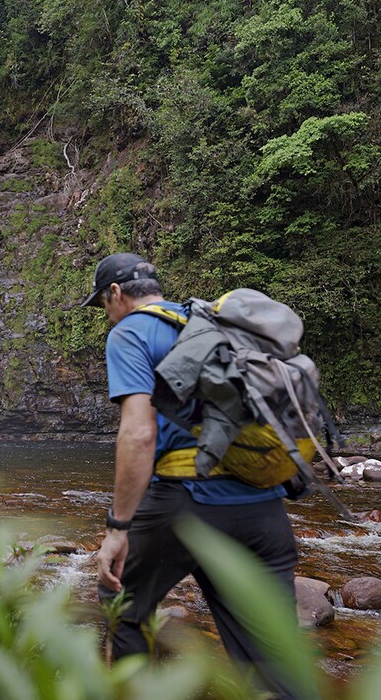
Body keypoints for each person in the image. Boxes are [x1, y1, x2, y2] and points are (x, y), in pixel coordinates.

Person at [81, 252, 299, 697]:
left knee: (123, 604)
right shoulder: (212, 323)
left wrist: (118, 528)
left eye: (104, 304)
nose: (107, 314)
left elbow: (139, 435)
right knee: (274, 655)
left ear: (116, 294)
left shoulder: (131, 331)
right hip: (264, 509)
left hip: (183, 506)